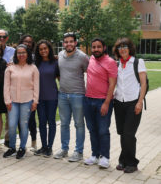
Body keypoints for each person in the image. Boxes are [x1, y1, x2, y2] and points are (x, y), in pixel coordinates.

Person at [113, 38, 147, 173]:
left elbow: (143, 84)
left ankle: (132, 163)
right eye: (120, 47)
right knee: (122, 133)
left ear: (130, 48)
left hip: (133, 103)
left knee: (129, 134)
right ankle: (123, 160)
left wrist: (140, 102)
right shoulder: (117, 64)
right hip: (119, 103)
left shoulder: (138, 62)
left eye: (125, 46)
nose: (122, 49)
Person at [54, 32, 89, 162]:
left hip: (78, 95)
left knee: (79, 124)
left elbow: (91, 72)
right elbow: (58, 73)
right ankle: (64, 149)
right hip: (62, 95)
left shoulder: (82, 57)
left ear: (75, 43)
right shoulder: (60, 56)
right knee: (64, 124)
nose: (68, 44)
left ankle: (78, 151)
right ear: (63, 43)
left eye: (71, 41)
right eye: (66, 41)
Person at [84, 38, 117, 169]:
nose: (96, 49)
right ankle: (94, 155)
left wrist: (106, 103)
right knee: (92, 130)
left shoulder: (110, 62)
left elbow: (112, 84)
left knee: (103, 130)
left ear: (104, 48)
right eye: (94, 47)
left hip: (103, 101)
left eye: (98, 47)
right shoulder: (91, 59)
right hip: (88, 100)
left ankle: (105, 157)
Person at [3, 44, 39, 159]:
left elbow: (37, 86)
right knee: (12, 125)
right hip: (12, 101)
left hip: (27, 100)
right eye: (19, 53)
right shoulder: (10, 68)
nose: (21, 55)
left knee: (24, 125)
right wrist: (7, 101)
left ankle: (22, 147)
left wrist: (35, 101)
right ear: (16, 54)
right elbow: (6, 86)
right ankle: (12, 147)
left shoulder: (33, 68)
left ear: (27, 54)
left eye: (23, 52)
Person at [34, 40, 59, 157]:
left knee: (51, 121)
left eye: (45, 48)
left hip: (52, 97)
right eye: (41, 49)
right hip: (39, 97)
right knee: (42, 122)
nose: (43, 51)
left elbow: (60, 78)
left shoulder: (55, 62)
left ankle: (50, 147)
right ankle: (43, 146)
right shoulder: (36, 63)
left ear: (49, 49)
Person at [0, 29, 15, 148]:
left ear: (7, 38)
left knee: (9, 114)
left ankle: (8, 139)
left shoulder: (13, 51)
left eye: (4, 37)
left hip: (10, 87)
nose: (1, 39)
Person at [18, 34, 37, 151]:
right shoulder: (18, 56)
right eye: (25, 41)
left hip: (31, 92)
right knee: (20, 120)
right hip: (19, 93)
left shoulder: (36, 57)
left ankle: (34, 142)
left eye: (30, 42)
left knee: (31, 119)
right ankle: (22, 143)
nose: (27, 44)